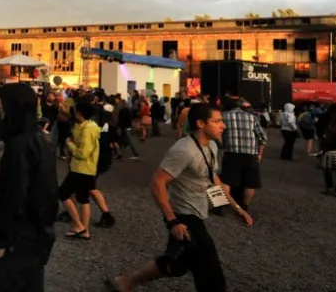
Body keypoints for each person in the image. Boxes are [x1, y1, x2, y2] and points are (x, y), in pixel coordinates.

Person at [105, 104, 253, 292]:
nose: (223, 126)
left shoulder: (212, 146)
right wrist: (172, 221)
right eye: (217, 121)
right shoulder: (183, 150)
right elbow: (158, 183)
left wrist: (235, 208)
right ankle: (126, 282)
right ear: (200, 123)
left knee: (176, 264)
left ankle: (125, 283)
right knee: (210, 270)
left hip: (197, 213)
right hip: (184, 216)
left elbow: (212, 179)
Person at [0, 83, 59, 291]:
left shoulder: (18, 147)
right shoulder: (42, 141)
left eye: (1, 102)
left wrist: (2, 243)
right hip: (35, 241)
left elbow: (14, 197)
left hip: (17, 244)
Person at [59, 99, 102, 240]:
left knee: (63, 193)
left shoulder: (88, 129)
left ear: (80, 113)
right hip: (86, 169)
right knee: (83, 198)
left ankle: (78, 225)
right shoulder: (85, 126)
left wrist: (69, 144)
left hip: (81, 168)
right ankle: (85, 230)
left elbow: (82, 153)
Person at [219, 99, 267, 212]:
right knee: (250, 182)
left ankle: (221, 206)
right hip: (250, 154)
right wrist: (259, 154)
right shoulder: (252, 117)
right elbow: (263, 138)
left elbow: (218, 133)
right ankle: (244, 207)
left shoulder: (223, 116)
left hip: (231, 152)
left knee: (226, 180)